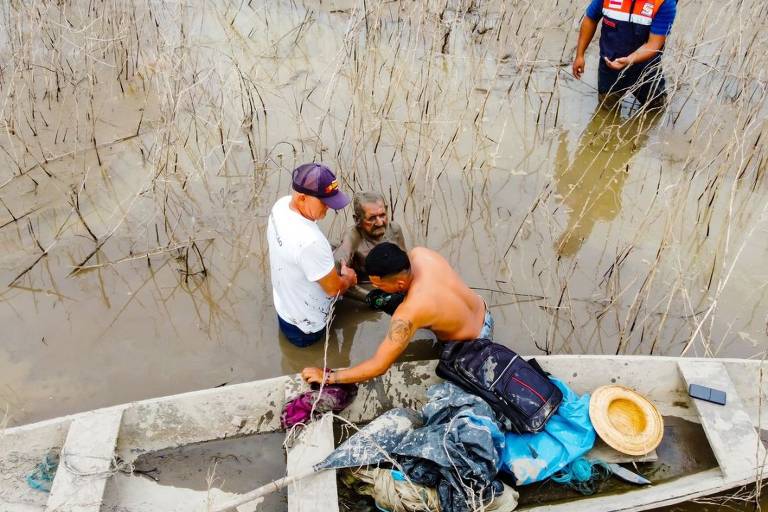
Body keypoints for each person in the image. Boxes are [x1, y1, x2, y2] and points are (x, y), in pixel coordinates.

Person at [301, 243, 494, 385]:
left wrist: (329, 377)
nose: (377, 288)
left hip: (470, 349)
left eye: (379, 285)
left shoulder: (409, 312)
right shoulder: (421, 254)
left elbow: (379, 365)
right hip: (484, 313)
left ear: (399, 285)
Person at [267, 163, 358, 348]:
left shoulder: (281, 205)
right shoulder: (311, 242)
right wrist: (349, 279)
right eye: (324, 202)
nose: (329, 208)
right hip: (307, 328)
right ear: (302, 198)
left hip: (284, 308)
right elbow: (333, 289)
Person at [572, 0, 677, 106]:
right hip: (610, 65)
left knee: (656, 108)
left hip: (646, 68)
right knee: (606, 110)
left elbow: (654, 44)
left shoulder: (664, 2)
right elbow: (590, 19)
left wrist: (630, 59)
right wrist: (580, 55)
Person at [333, 191, 407, 310]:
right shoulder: (353, 237)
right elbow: (334, 275)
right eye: (372, 218)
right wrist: (373, 298)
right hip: (365, 288)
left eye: (382, 215)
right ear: (357, 220)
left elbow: (405, 266)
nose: (379, 222)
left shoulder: (394, 230)